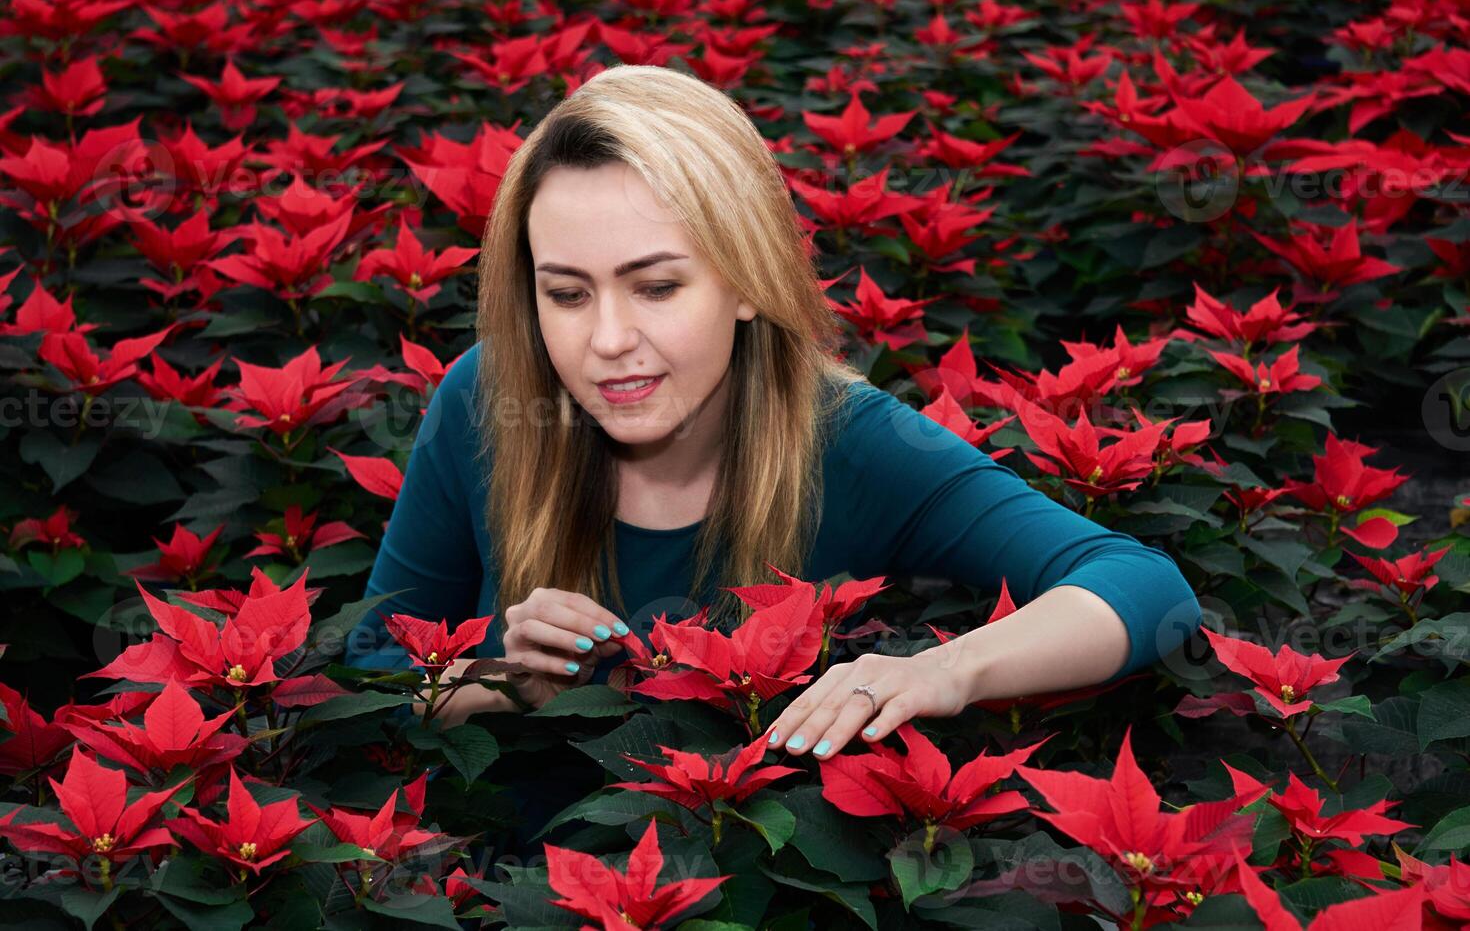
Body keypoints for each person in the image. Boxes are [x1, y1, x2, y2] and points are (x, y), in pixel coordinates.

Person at [349, 63, 1202, 826]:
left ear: (749, 281)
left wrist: (941, 673)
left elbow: (1141, 587)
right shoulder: (485, 398)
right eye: (567, 294)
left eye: (656, 286)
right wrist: (499, 682)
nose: (607, 339)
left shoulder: (851, 440)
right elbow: (372, 669)